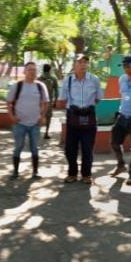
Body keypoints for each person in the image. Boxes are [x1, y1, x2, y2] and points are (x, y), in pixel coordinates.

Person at [58, 54, 103, 184]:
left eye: (85, 62)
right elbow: (63, 98)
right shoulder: (68, 80)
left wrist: (87, 107)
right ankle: (72, 173)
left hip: (89, 117)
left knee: (87, 148)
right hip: (73, 117)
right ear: (74, 65)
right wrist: (73, 108)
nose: (83, 65)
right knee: (70, 148)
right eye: (80, 62)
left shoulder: (94, 79)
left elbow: (98, 97)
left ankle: (86, 175)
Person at [7, 62, 49, 180]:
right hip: (19, 123)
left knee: (35, 148)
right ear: (24, 71)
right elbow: (9, 102)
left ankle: (35, 172)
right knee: (18, 146)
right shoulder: (17, 86)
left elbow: (46, 103)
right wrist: (11, 116)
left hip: (35, 123)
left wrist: (42, 116)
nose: (32, 72)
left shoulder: (40, 86)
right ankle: (15, 171)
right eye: (30, 70)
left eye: (34, 70)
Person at [110, 56, 131, 183]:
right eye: (124, 66)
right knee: (114, 142)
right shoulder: (122, 79)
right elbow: (123, 96)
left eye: (129, 66)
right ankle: (120, 165)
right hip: (123, 116)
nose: (126, 69)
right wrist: (119, 112)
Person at [39, 64, 59, 139]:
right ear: (50, 70)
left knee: (39, 116)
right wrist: (55, 101)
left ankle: (36, 132)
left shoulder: (39, 78)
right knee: (48, 117)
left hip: (39, 102)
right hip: (49, 101)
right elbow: (57, 92)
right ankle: (46, 133)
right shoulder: (53, 79)